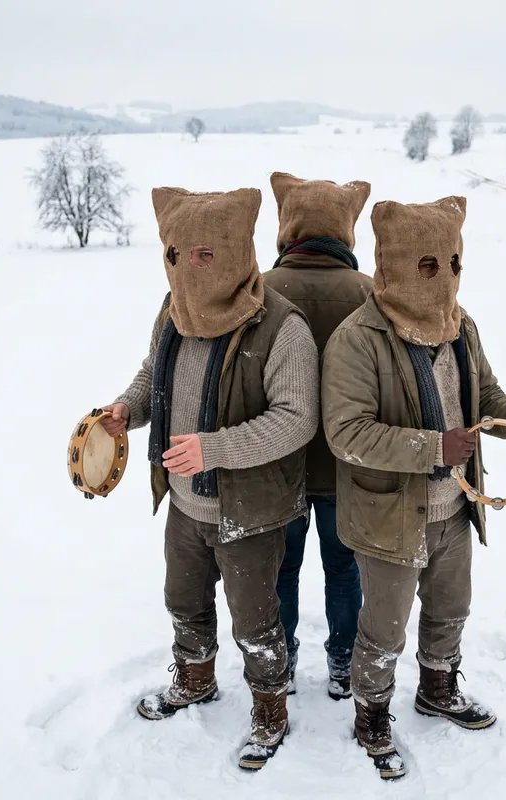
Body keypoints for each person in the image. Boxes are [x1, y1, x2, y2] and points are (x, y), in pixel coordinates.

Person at [321, 195, 506, 780]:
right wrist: (433, 447)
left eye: (452, 263)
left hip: (454, 506)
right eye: (428, 264)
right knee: (384, 628)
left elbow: (482, 397)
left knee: (450, 609)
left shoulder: (461, 325)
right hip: (389, 517)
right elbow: (346, 433)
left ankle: (437, 689)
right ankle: (371, 714)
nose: (444, 276)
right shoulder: (358, 338)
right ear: (394, 262)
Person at [99, 186, 319, 771]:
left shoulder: (281, 325)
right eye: (175, 254)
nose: (186, 268)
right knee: (184, 601)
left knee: (255, 621)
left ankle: (270, 711)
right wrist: (127, 408)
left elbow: (297, 420)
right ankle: (195, 680)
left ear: (233, 250)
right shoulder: (174, 309)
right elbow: (154, 371)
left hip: (249, 509)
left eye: (202, 255)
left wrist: (214, 449)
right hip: (184, 503)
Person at [263, 172, 372, 700]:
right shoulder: (369, 292)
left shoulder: (259, 288)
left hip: (276, 464)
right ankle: (344, 664)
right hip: (347, 465)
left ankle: (280, 663)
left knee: (281, 571)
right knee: (344, 570)